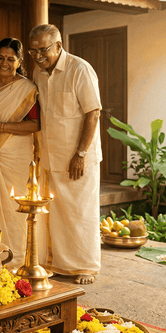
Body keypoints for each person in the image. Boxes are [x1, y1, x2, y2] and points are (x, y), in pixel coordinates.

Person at [29, 24, 102, 285]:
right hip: (52, 155)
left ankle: (86, 266)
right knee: (57, 215)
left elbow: (93, 112)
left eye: (44, 50)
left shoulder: (80, 69)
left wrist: (81, 153)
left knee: (80, 213)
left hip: (77, 158)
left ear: (59, 46)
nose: (38, 56)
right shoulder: (39, 74)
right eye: (33, 51)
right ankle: (60, 264)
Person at [0, 37, 46, 268]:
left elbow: (35, 125)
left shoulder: (27, 88)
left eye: (10, 59)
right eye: (0, 58)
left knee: (13, 203)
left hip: (16, 153)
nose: (5, 63)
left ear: (19, 61)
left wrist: (1, 127)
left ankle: (17, 256)